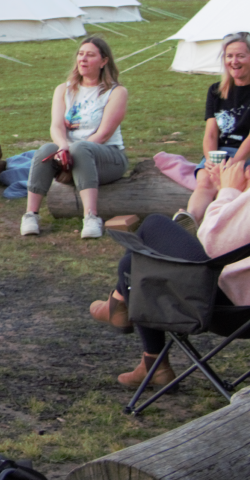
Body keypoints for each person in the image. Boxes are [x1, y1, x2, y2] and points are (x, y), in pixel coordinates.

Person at [91, 159, 250, 387]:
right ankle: (152, 361)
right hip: (240, 307)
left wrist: (228, 191)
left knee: (151, 231)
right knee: (138, 264)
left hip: (225, 310)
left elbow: (214, 241)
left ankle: (119, 307)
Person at [20, 36, 129, 240]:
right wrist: (62, 146)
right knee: (45, 150)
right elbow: (56, 126)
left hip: (108, 156)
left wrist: (72, 151)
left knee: (81, 148)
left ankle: (91, 217)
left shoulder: (116, 92)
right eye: (80, 54)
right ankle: (31, 215)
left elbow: (104, 134)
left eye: (90, 55)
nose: (83, 59)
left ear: (104, 61)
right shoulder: (64, 89)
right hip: (70, 154)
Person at [176, 32, 250, 229]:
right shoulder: (216, 90)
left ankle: (229, 231)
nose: (234, 61)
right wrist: (210, 160)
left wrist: (236, 163)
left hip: (245, 152)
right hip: (221, 152)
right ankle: (190, 219)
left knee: (238, 182)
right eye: (229, 56)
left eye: (240, 56)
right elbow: (210, 133)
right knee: (206, 181)